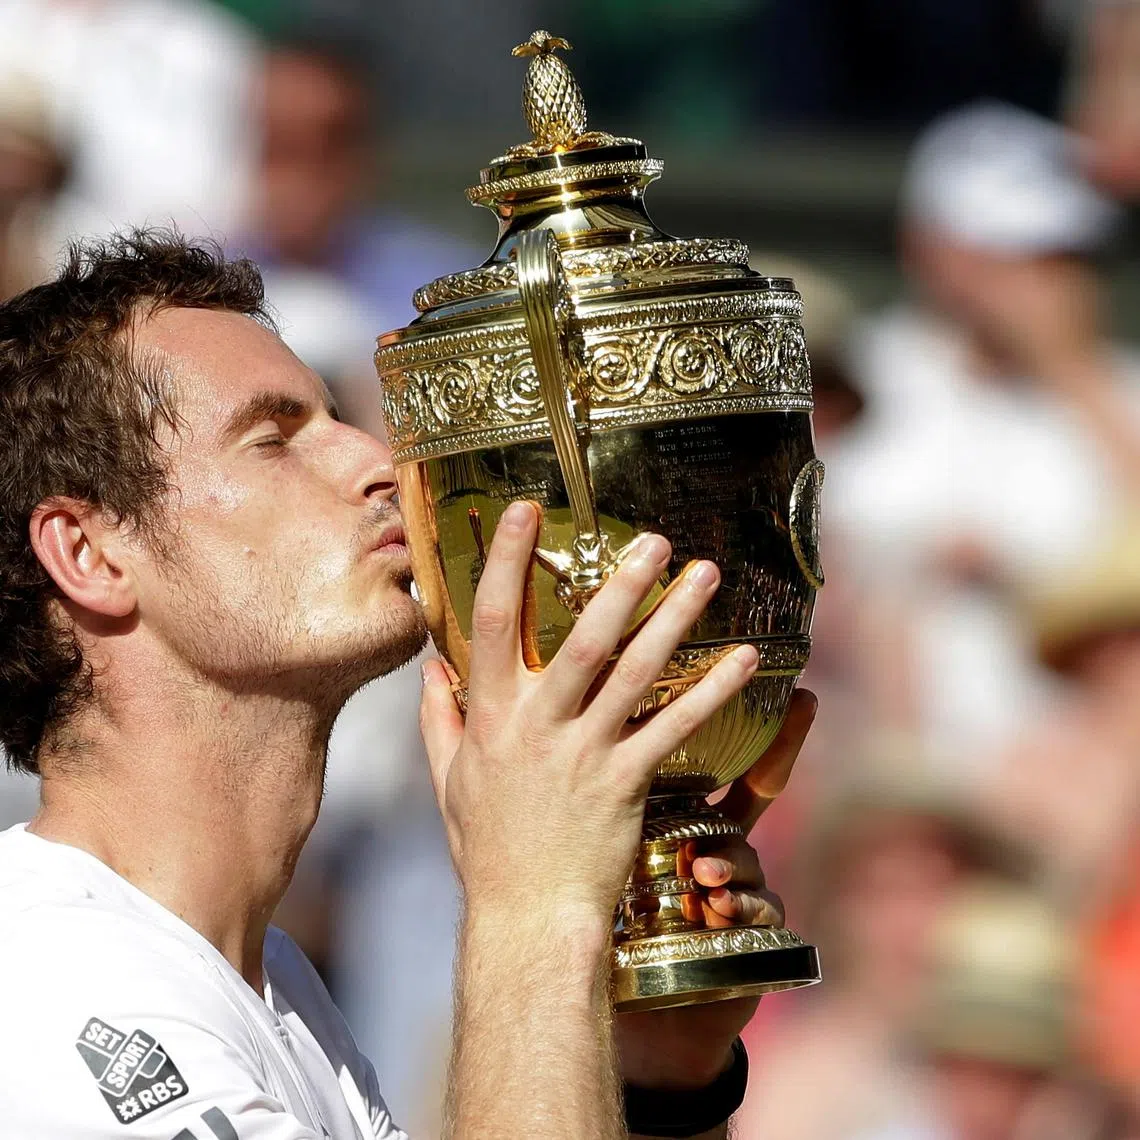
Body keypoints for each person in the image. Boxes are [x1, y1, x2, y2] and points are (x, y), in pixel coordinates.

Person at [0, 228, 816, 1140]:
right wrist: (535, 909)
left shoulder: (277, 988)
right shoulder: (53, 984)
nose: (379, 464)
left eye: (336, 416)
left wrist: (660, 1088)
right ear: (89, 551)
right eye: (272, 438)